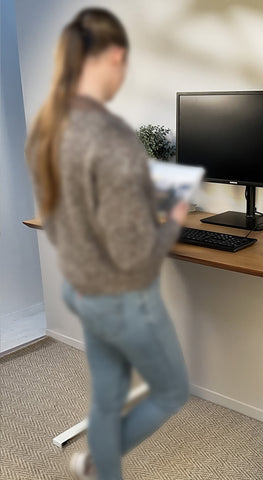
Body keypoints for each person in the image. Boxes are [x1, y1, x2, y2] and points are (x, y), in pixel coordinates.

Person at [25, 8, 189, 480]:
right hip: (124, 295)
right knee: (172, 391)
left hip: (80, 287)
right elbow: (138, 256)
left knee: (108, 395)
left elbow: (60, 219)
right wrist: (172, 218)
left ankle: (98, 465)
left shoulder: (47, 128)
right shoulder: (111, 136)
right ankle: (102, 465)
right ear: (116, 56)